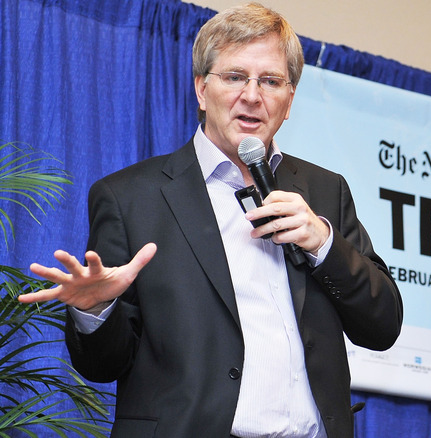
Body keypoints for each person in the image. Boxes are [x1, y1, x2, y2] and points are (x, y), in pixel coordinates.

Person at [19, 3, 403, 437]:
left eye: (271, 81)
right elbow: (103, 366)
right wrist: (96, 310)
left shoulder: (325, 190)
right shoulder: (130, 197)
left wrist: (323, 245)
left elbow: (383, 326)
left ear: (289, 101)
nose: (253, 96)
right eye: (235, 77)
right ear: (202, 90)